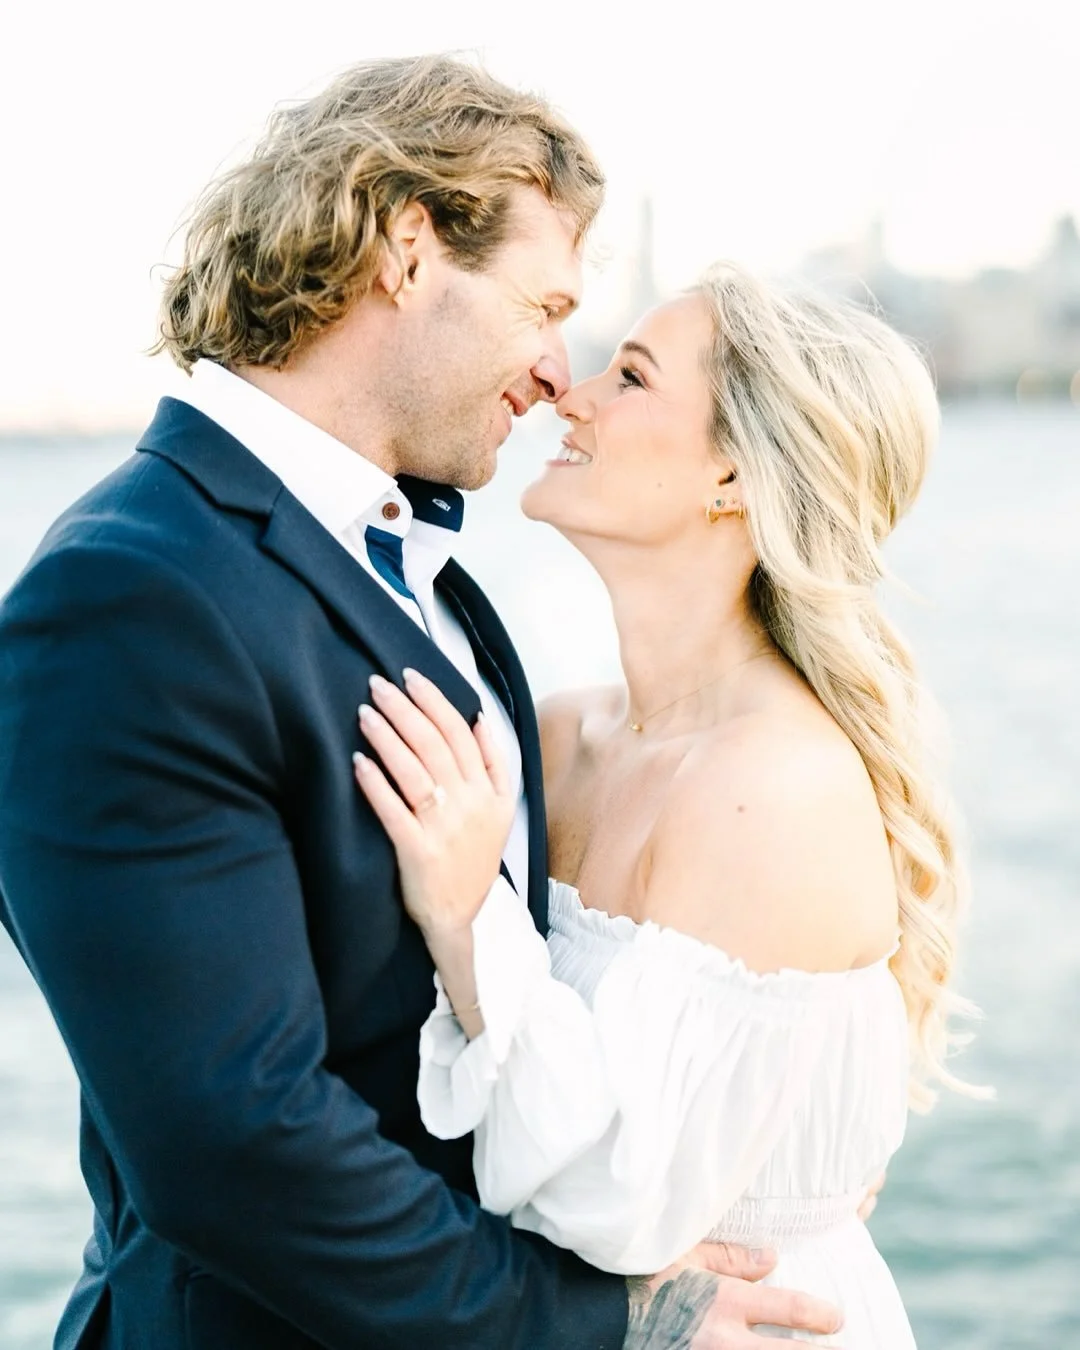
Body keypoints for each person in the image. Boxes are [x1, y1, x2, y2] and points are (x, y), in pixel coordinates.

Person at [0, 56, 842, 1350]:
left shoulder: (423, 575)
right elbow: (236, 1140)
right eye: (544, 304)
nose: (558, 371)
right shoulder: (125, 596)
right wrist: (602, 1322)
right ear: (406, 250)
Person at [352, 266, 980, 1347]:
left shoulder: (776, 788)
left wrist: (470, 923)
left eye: (631, 376)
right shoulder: (552, 733)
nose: (569, 393)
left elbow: (616, 1206)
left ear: (733, 472)